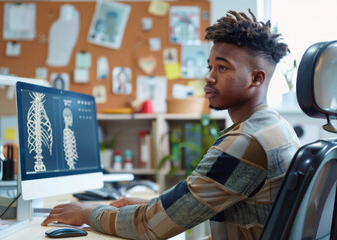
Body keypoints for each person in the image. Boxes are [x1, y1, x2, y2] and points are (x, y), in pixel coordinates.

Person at [42, 9, 300, 239]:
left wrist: (86, 213)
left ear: (256, 78)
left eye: (222, 68)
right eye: (210, 66)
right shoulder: (275, 126)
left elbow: (150, 227)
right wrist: (154, 205)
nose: (208, 77)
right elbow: (192, 201)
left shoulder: (244, 142)